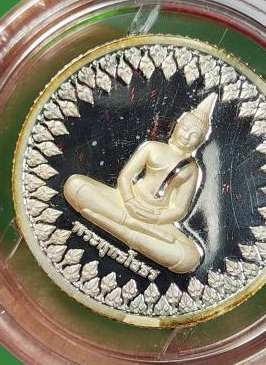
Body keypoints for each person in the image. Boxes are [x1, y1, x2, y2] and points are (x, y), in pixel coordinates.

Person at [63, 93, 217, 274]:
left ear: (200, 141)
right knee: (75, 185)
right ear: (176, 127)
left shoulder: (191, 169)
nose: (187, 136)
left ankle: (118, 225)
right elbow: (125, 177)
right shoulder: (153, 147)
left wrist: (156, 218)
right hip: (125, 203)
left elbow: (179, 209)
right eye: (185, 129)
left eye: (194, 135)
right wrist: (129, 201)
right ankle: (132, 232)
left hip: (155, 221)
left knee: (189, 259)